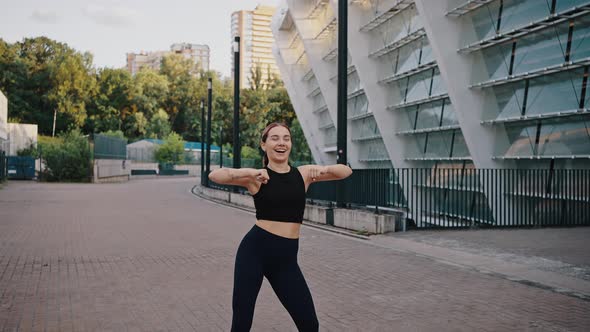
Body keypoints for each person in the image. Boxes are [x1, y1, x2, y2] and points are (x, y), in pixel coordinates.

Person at [208, 122, 352, 332]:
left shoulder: (302, 174)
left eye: (286, 138)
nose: (281, 143)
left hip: (286, 262)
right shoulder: (257, 178)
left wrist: (324, 169)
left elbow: (344, 172)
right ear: (264, 145)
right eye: (274, 138)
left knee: (309, 324)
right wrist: (250, 172)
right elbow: (216, 176)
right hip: (254, 253)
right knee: (241, 323)